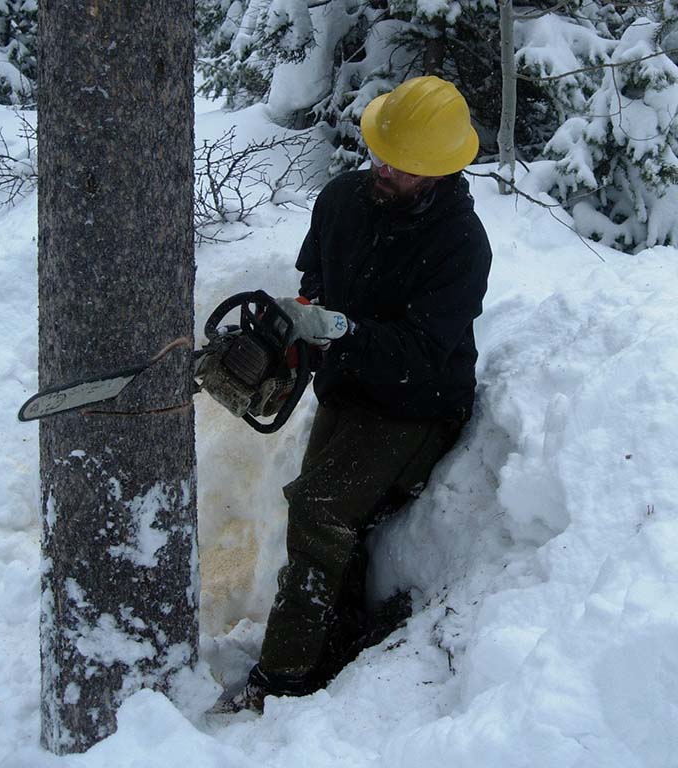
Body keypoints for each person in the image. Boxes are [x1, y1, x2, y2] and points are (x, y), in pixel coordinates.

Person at [229, 76, 492, 712]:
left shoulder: (460, 244)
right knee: (330, 520)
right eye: (381, 154)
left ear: (437, 170)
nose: (385, 170)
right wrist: (298, 324)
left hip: (416, 406)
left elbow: (424, 354)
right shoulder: (342, 198)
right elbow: (314, 275)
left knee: (319, 510)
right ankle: (337, 638)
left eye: (403, 168)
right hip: (345, 388)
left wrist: (341, 331)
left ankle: (284, 677)